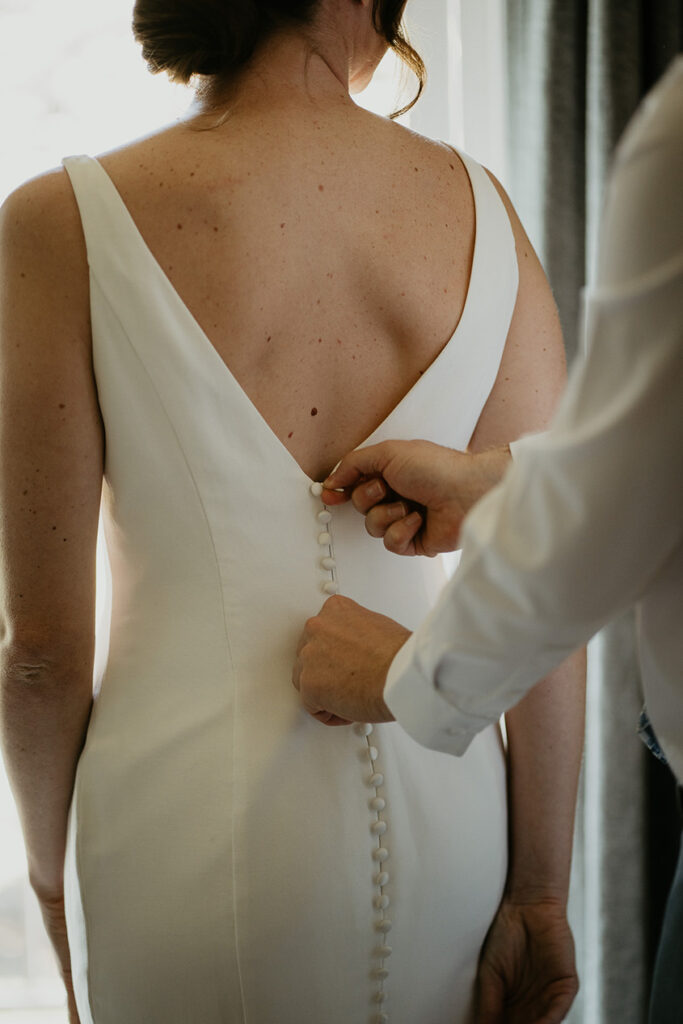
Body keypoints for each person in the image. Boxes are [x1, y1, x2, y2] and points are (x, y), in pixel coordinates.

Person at [0, 1, 585, 1022]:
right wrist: (535, 888)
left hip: (174, 827)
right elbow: (548, 588)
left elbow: (43, 652)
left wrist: (53, 885)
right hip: (451, 810)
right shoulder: (482, 212)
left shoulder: (61, 222)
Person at [293, 54, 683, 1023]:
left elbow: (613, 505)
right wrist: (495, 482)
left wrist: (409, 677)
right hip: (454, 837)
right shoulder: (475, 207)